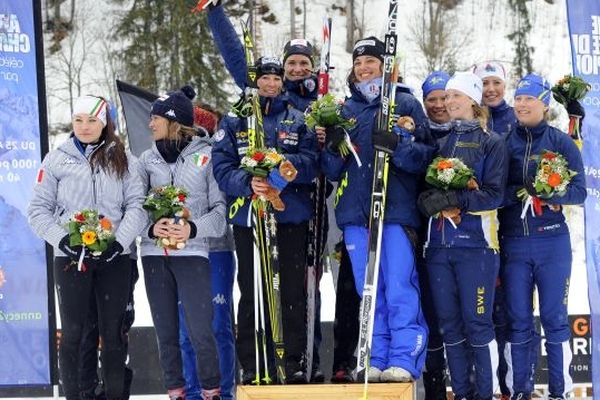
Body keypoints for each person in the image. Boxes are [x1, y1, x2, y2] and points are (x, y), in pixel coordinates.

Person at [203, 3, 328, 380]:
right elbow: (222, 166)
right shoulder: (237, 118)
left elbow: (312, 160)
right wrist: (249, 182)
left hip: (290, 217)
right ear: (254, 81)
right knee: (252, 291)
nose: (272, 83)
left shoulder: (298, 117)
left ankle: (293, 364)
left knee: (291, 293)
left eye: (277, 78)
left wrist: (284, 172)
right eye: (265, 77)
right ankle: (253, 364)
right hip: (249, 217)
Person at [320, 36, 432, 383]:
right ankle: (374, 356)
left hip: (394, 212)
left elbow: (425, 159)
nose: (365, 68)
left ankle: (404, 357)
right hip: (356, 216)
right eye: (359, 63)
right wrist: (334, 144)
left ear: (385, 66)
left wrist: (397, 146)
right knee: (370, 291)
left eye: (371, 61)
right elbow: (332, 171)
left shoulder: (405, 103)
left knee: (398, 286)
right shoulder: (346, 111)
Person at [28, 95, 146, 400]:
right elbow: (38, 210)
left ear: (104, 123)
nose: (84, 127)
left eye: (92, 120)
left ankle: (115, 395)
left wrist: (118, 243)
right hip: (71, 260)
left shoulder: (125, 159)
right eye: (78, 120)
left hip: (114, 259)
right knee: (73, 335)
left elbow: (137, 206)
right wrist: (62, 239)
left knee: (113, 333)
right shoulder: (56, 159)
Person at [418, 71, 508, 400]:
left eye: (455, 96)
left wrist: (455, 200)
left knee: (478, 324)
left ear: (472, 100)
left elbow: (495, 195)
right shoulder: (440, 145)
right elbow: (425, 197)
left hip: (478, 248)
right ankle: (463, 393)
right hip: (439, 248)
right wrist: (434, 203)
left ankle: (487, 393)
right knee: (449, 325)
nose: (448, 102)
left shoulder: (491, 143)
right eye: (445, 97)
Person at [499, 74, 586, 400]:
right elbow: (495, 191)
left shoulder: (560, 142)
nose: (521, 104)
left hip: (552, 242)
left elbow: (579, 192)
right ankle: (521, 391)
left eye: (529, 99)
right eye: (518, 99)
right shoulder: (505, 142)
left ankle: (559, 393)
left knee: (554, 319)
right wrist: (520, 193)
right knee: (519, 320)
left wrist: (553, 194)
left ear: (545, 105)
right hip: (514, 242)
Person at [138, 86, 225, 400]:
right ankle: (176, 393)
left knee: (201, 331)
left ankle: (211, 392)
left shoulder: (207, 156)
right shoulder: (145, 160)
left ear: (173, 120)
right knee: (166, 333)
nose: (150, 124)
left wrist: (191, 229)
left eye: (156, 118)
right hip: (153, 255)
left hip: (192, 253)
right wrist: (150, 230)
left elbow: (220, 215)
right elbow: (134, 209)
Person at [177, 105, 236, 400]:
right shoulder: (165, 155)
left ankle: (223, 392)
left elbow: (224, 203)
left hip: (216, 249)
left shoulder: (218, 154)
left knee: (216, 326)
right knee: (186, 328)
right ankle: (191, 392)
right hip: (180, 252)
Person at [418, 70, 451, 399]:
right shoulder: (422, 133)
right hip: (427, 236)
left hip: (467, 241)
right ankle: (435, 386)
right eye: (432, 99)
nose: (439, 104)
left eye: (444, 97)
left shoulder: (468, 132)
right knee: (431, 311)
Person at [473, 61, 514, 136]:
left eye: (497, 83)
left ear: (504, 86)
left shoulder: (518, 117)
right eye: (484, 83)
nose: (491, 89)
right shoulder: (469, 118)